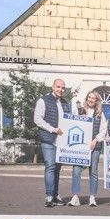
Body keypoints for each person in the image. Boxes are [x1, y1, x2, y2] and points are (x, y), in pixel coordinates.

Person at [31, 77, 71, 207]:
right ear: (53, 87)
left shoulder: (65, 103)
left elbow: (70, 120)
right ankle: (49, 196)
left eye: (63, 87)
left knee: (57, 169)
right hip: (48, 139)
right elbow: (37, 119)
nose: (61, 89)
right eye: (58, 87)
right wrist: (53, 129)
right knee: (50, 166)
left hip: (61, 141)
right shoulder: (43, 100)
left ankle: (55, 195)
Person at [67, 90, 106, 207]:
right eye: (89, 97)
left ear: (97, 101)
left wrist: (95, 140)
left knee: (93, 171)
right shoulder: (79, 111)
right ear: (86, 98)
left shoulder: (100, 114)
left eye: (93, 98)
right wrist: (79, 118)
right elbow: (71, 124)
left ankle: (92, 197)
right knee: (76, 170)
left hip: (95, 146)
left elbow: (103, 130)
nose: (91, 100)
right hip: (80, 147)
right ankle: (75, 197)